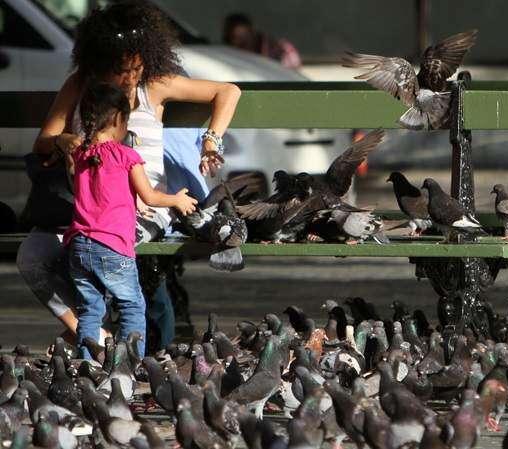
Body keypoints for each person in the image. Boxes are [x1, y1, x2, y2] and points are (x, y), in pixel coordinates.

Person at [17, 0, 240, 348]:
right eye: (123, 70)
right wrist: (63, 141)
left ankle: (90, 338)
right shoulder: (80, 86)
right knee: (32, 255)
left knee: (101, 256)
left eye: (138, 67)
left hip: (143, 208)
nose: (132, 77)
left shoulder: (154, 86)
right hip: (87, 209)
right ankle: (91, 333)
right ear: (100, 63)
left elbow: (228, 91)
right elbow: (43, 142)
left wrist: (211, 141)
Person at [65, 82, 197, 358]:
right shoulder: (126, 156)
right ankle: (129, 363)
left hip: (79, 244)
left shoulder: (81, 155)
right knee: (132, 306)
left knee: (90, 310)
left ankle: (86, 365)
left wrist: (130, 200)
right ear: (117, 120)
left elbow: (96, 192)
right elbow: (151, 196)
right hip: (112, 246)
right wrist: (177, 200)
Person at [222, 13, 302, 70]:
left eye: (242, 39)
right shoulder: (227, 54)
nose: (236, 44)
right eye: (231, 39)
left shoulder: (283, 51)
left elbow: (293, 80)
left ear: (252, 33)